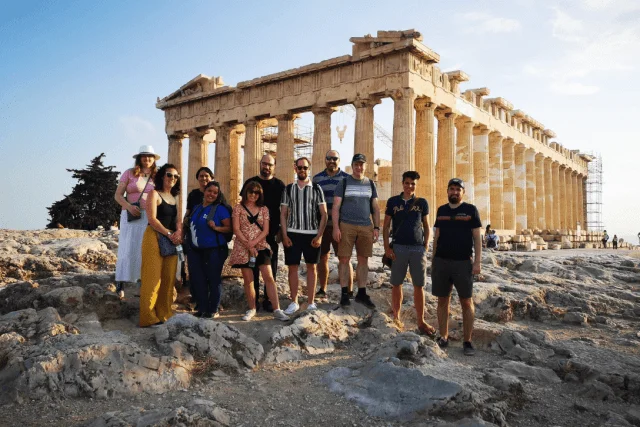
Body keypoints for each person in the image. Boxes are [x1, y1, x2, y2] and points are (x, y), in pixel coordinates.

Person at [432, 178, 482, 356]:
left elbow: (477, 237)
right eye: (451, 189)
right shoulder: (441, 210)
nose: (454, 192)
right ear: (447, 191)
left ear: (463, 192)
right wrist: (433, 261)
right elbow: (437, 236)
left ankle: (467, 341)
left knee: (466, 301)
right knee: (442, 301)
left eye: (458, 189)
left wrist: (477, 262)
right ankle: (443, 336)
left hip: (463, 262)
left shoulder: (470, 210)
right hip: (442, 261)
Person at [383, 171, 436, 336]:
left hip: (417, 248)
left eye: (413, 183)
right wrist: (387, 248)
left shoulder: (422, 203)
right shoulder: (393, 202)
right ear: (402, 183)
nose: (410, 186)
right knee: (396, 283)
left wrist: (426, 245)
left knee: (419, 285)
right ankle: (396, 317)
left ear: (416, 185)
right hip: (398, 247)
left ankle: (421, 320)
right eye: (407, 183)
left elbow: (426, 225)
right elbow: (386, 226)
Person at [229, 181, 289, 321]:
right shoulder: (238, 208)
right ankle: (252, 309)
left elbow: (266, 230)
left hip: (261, 245)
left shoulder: (264, 209)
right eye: (251, 191)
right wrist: (248, 245)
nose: (253, 195)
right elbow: (236, 229)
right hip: (243, 247)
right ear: (246, 192)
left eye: (257, 192)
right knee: (248, 279)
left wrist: (253, 244)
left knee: (268, 276)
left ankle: (277, 309)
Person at [332, 153, 381, 309]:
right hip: (346, 225)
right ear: (352, 166)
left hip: (366, 226)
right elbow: (336, 207)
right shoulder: (344, 182)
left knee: (363, 260)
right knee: (344, 260)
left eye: (361, 164)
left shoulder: (371, 184)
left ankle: (361, 292)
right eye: (356, 164)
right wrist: (336, 227)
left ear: (365, 166)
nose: (359, 167)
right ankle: (345, 293)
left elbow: (375, 207)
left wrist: (376, 227)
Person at [281, 157, 327, 314]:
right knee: (292, 267)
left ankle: (311, 301)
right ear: (295, 169)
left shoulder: (316, 188)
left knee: (311, 267)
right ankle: (293, 301)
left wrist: (320, 235)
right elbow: (283, 214)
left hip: (312, 234)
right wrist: (284, 234)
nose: (302, 170)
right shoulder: (288, 189)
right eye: (299, 167)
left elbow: (324, 214)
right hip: (293, 233)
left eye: (305, 167)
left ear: (309, 169)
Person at [240, 154, 286, 312]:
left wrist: (281, 229)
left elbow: (283, 210)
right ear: (260, 164)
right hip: (251, 234)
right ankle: (254, 301)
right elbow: (242, 205)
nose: (266, 167)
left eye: (270, 165)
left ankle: (268, 299)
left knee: (270, 269)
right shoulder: (250, 183)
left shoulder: (280, 185)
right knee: (252, 267)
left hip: (271, 233)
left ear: (274, 166)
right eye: (264, 164)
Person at [139, 164, 182, 327]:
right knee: (152, 277)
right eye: (169, 175)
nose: (172, 179)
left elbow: (178, 219)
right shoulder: (154, 194)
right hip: (155, 236)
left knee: (168, 277)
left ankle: (164, 313)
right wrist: (169, 234)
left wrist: (178, 232)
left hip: (171, 238)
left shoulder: (176, 197)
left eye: (176, 176)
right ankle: (148, 317)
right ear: (162, 176)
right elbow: (152, 219)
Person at [114, 145, 158, 299]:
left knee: (144, 249)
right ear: (139, 158)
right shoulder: (129, 173)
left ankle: (141, 282)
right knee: (127, 247)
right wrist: (128, 206)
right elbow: (118, 195)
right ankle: (120, 283)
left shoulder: (157, 176)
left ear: (154, 159)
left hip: (149, 216)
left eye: (150, 156)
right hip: (130, 215)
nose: (147, 159)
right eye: (144, 156)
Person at [187, 181, 231, 318]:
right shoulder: (196, 207)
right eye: (209, 191)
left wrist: (216, 228)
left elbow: (230, 228)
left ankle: (213, 309)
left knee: (213, 279)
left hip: (215, 249)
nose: (211, 194)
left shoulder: (220, 209)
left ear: (218, 195)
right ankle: (202, 308)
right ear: (204, 191)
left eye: (215, 192)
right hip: (196, 249)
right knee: (198, 279)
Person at [312, 149, 352, 300]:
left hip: (341, 225)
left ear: (339, 160)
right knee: (322, 258)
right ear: (325, 160)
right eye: (329, 158)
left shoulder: (347, 179)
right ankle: (322, 289)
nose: (332, 161)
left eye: (335, 158)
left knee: (344, 258)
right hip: (322, 225)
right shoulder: (316, 179)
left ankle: (349, 291)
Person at [180, 166, 215, 308]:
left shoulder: (216, 193)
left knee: (209, 268)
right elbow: (187, 213)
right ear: (197, 179)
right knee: (194, 268)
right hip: (193, 234)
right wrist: (182, 230)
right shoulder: (193, 194)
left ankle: (210, 301)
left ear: (211, 178)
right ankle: (196, 299)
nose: (204, 178)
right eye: (201, 176)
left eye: (206, 176)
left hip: (210, 236)